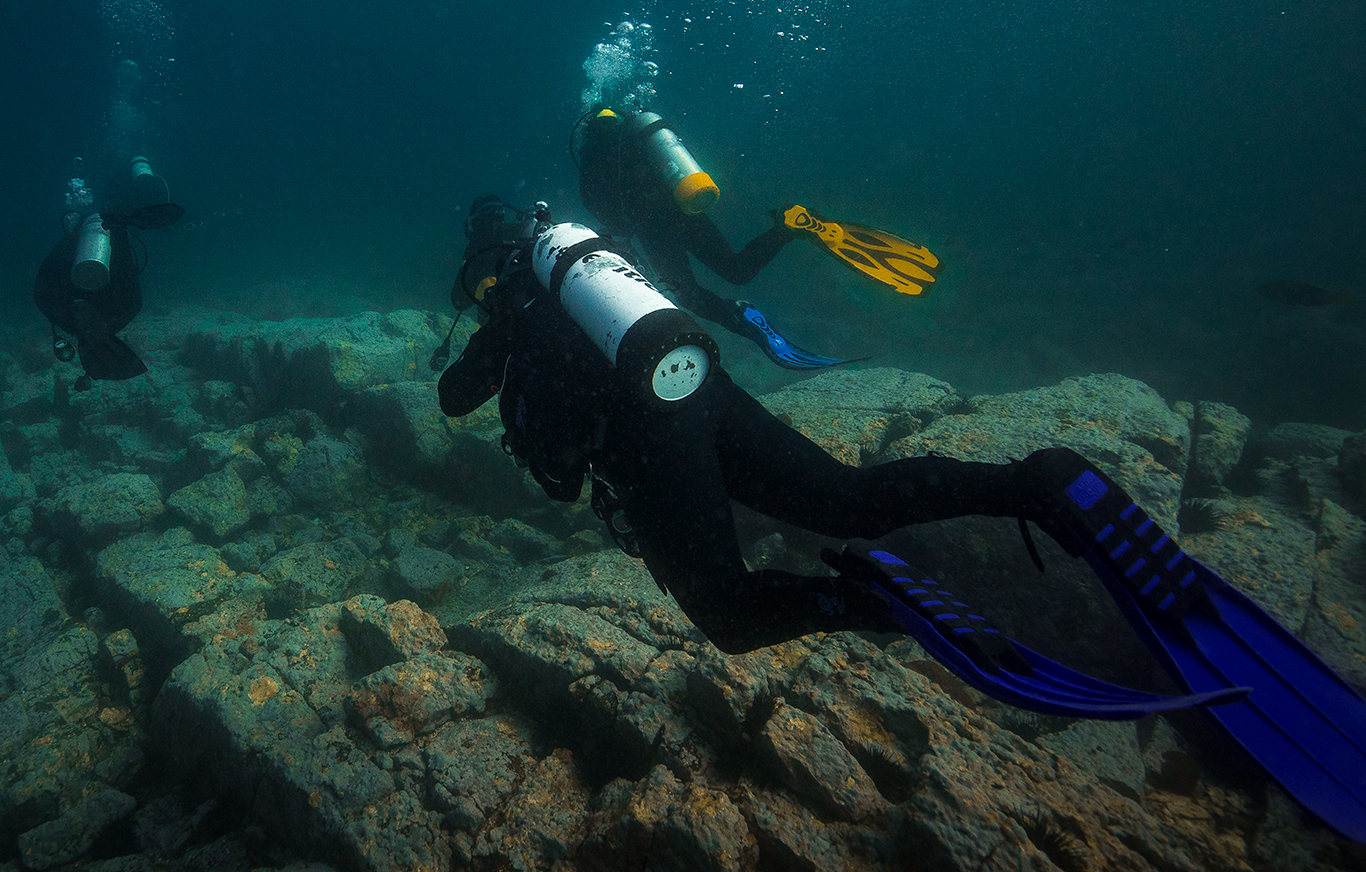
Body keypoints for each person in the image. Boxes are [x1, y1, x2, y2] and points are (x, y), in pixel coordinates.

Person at [435, 196, 1366, 837]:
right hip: (699, 385)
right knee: (847, 497)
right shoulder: (593, 276)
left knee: (728, 612)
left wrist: (483, 322)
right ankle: (1034, 483)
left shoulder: (512, 310)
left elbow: (456, 402)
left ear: (489, 261)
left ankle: (878, 599)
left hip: (649, 438)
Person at [572, 107, 942, 368]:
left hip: (655, 230)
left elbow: (614, 224)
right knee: (736, 268)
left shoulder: (591, 168)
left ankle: (741, 316)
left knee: (685, 293)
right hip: (686, 212)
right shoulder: (642, 141)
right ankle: (790, 227)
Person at [34, 157, 182, 383]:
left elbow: (42, 289)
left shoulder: (68, 251)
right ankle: (118, 223)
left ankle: (117, 224)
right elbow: (131, 293)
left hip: (78, 301)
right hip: (103, 299)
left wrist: (82, 325)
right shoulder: (111, 307)